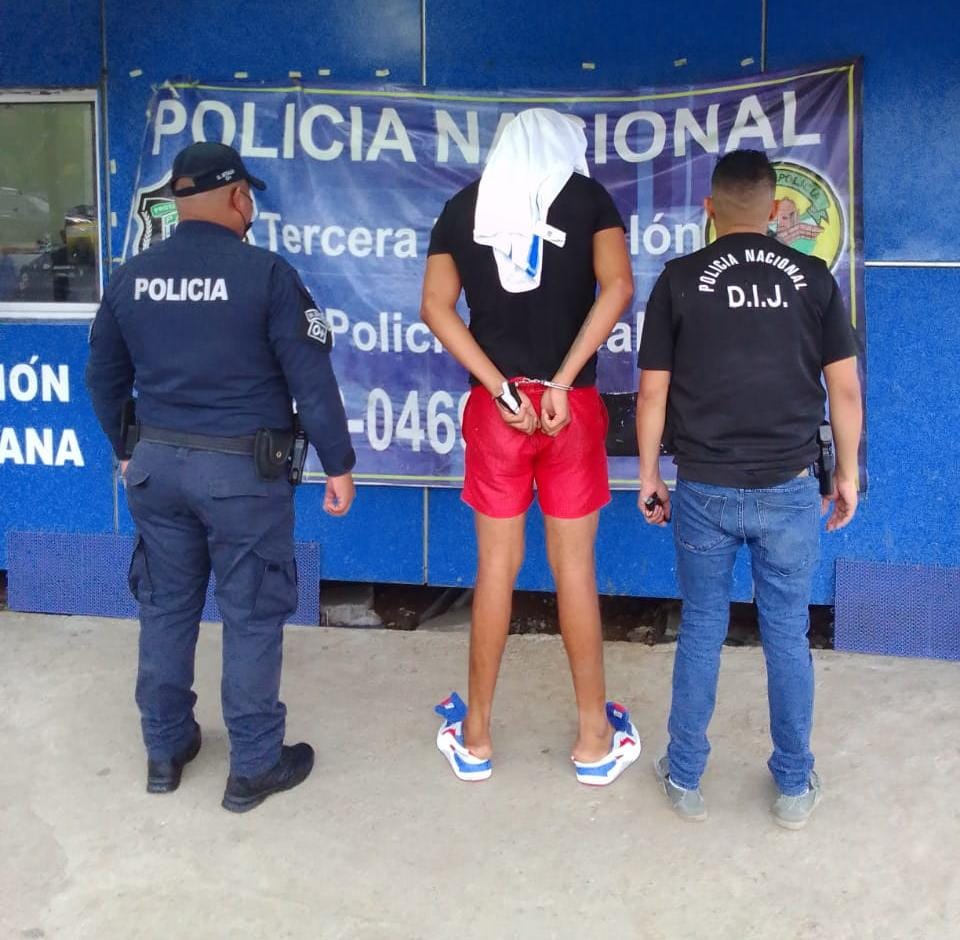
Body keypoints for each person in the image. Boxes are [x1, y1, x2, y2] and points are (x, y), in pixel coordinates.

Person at [85, 142, 356, 813]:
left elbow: (102, 377)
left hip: (157, 470)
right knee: (252, 613)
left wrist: (127, 446)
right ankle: (255, 765)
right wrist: (339, 464)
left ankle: (164, 748)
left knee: (165, 606)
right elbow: (312, 382)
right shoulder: (266, 275)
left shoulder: (131, 277)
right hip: (242, 477)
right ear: (238, 197)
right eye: (249, 196)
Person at [636, 149, 862, 828]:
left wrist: (648, 475)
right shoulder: (814, 279)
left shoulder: (679, 279)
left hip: (704, 486)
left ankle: (684, 774)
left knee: (702, 626)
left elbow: (652, 394)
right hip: (789, 487)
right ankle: (793, 786)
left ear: (710, 209)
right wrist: (847, 474)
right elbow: (845, 389)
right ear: (772, 211)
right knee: (786, 634)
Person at [421, 109, 639, 786]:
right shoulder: (588, 199)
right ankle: (595, 739)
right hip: (569, 409)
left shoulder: (463, 207)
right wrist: (563, 380)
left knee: (496, 566)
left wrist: (499, 387)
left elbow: (435, 307)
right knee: (574, 568)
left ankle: (476, 737)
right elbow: (619, 286)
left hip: (498, 412)